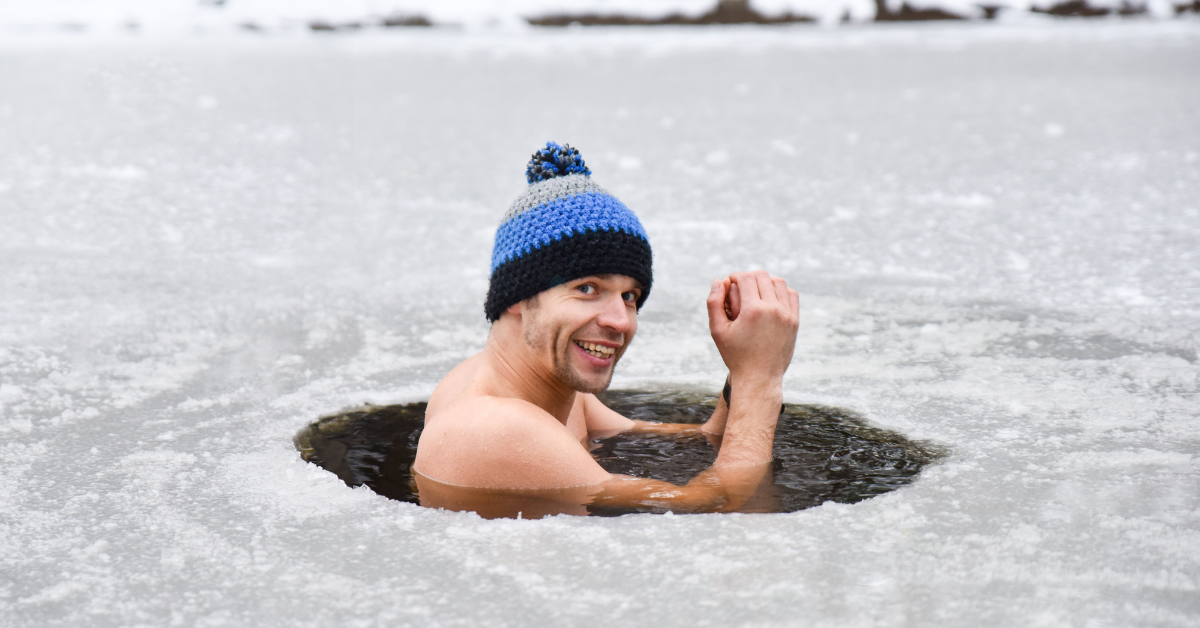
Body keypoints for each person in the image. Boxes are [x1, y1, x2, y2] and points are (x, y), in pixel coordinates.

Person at [413, 142, 799, 517]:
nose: (620, 320)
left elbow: (705, 439)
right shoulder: (495, 428)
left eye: (629, 295)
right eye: (587, 289)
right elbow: (713, 504)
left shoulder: (546, 384)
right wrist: (760, 378)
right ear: (516, 296)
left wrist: (744, 365)